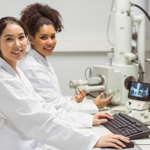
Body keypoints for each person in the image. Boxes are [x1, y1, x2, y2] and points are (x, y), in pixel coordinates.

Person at [0, 16, 130, 150]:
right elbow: (39, 122)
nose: (17, 44)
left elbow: (46, 109)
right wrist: (92, 140)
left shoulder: (18, 73)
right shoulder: (4, 81)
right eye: (9, 39)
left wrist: (87, 120)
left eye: (21, 37)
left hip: (35, 141)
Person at [20, 3, 112, 115]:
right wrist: (94, 106)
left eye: (52, 36)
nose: (50, 42)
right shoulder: (33, 68)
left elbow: (53, 101)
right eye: (43, 37)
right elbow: (54, 106)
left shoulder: (41, 62)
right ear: (31, 39)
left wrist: (73, 102)